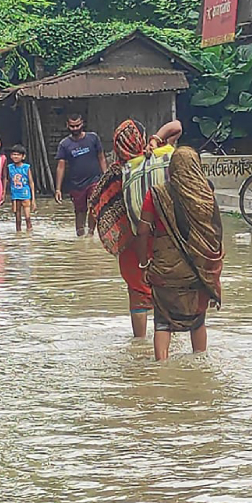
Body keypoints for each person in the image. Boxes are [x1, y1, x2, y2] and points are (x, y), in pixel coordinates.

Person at [88, 119, 183, 339]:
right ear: (140, 138)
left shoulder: (117, 172)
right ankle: (170, 340)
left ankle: (139, 342)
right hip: (163, 237)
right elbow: (177, 126)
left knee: (137, 294)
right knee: (167, 290)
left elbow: (97, 205)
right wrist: (156, 139)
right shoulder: (160, 156)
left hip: (132, 244)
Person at [135, 147, 223, 361]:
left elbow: (142, 231)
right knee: (198, 320)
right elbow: (215, 236)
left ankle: (161, 369)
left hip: (164, 268)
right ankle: (200, 365)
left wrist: (144, 263)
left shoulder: (156, 194)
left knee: (162, 322)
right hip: (197, 268)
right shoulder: (206, 196)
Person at [55, 114, 107, 236]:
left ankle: (90, 233)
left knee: (94, 205)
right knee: (80, 211)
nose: (75, 128)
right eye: (72, 126)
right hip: (76, 184)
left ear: (82, 124)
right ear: (67, 126)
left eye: (77, 125)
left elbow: (101, 158)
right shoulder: (64, 144)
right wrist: (58, 189)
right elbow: (61, 166)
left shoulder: (93, 138)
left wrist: (106, 176)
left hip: (94, 179)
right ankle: (80, 235)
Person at [8, 145, 36, 232]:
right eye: (14, 154)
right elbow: (7, 180)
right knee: (17, 217)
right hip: (15, 194)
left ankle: (29, 232)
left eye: (18, 155)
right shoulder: (10, 167)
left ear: (23, 156)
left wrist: (33, 199)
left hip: (25, 193)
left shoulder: (26, 167)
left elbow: (31, 182)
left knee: (28, 217)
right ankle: (18, 233)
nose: (15, 156)